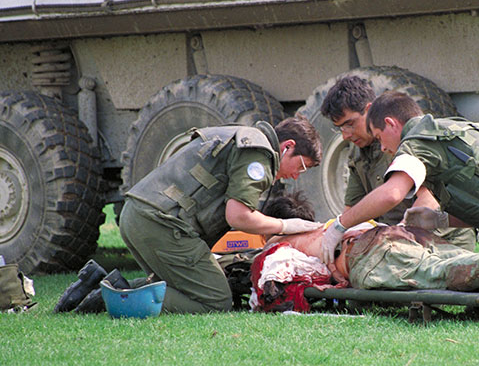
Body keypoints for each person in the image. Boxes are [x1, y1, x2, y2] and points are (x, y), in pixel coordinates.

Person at [54, 116, 323, 315]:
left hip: (139, 215)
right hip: (161, 224)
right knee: (215, 300)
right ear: (287, 147)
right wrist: (287, 225)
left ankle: (98, 285)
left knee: (181, 288)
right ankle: (111, 297)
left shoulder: (239, 137)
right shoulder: (259, 153)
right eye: (301, 166)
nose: (297, 175)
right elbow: (238, 217)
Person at [254, 194, 479, 322]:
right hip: (387, 235)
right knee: (455, 258)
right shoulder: (324, 224)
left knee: (441, 273)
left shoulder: (280, 246)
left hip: (368, 257)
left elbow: (274, 285)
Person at [320, 91, 479, 264]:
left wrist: (339, 225)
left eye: (379, 138)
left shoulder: (417, 139)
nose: (384, 148)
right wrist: (438, 219)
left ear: (391, 124)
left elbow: (392, 193)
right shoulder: (446, 128)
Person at [320, 75, 477, 250]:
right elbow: (352, 210)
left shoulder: (408, 142)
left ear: (369, 110)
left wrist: (399, 235)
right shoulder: (357, 153)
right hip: (399, 241)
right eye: (341, 128)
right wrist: (340, 231)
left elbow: (429, 200)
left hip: (442, 242)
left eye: (350, 124)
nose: (345, 135)